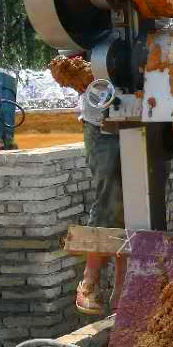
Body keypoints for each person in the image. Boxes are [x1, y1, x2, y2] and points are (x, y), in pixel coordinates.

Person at [48, 51, 126, 314]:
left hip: (148, 117)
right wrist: (76, 69)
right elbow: (66, 59)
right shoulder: (95, 31)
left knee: (138, 203)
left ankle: (123, 291)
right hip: (102, 121)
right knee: (110, 195)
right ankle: (89, 283)